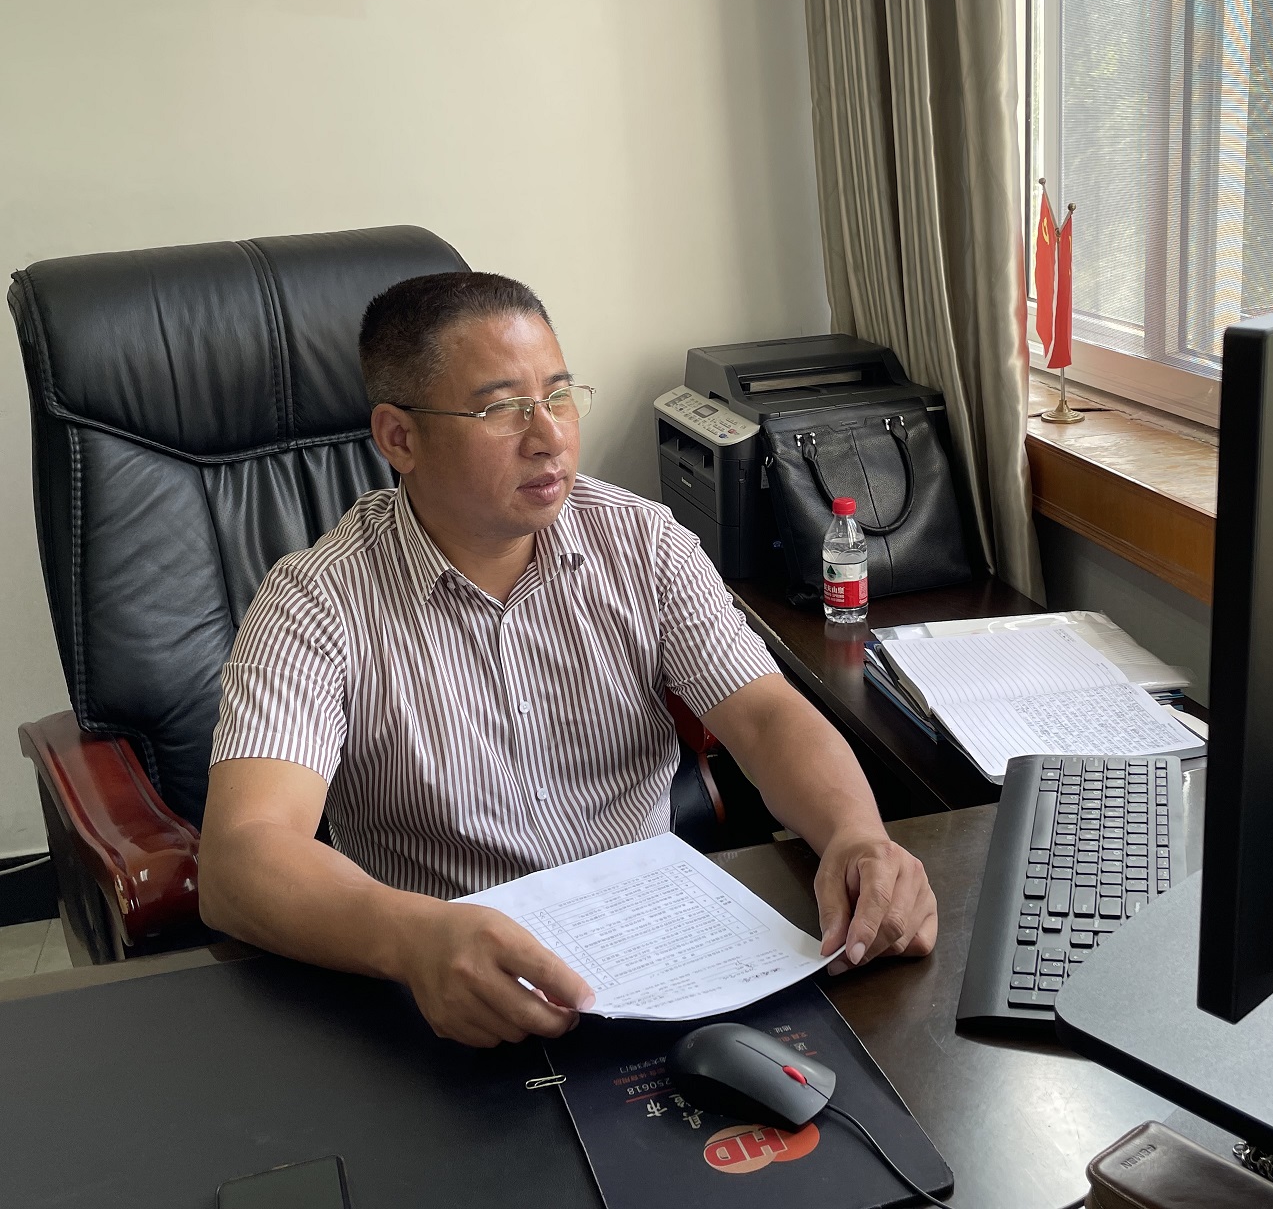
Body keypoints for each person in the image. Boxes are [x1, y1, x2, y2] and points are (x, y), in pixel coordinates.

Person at [197, 271, 937, 1047]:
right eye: (501, 409)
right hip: (455, 995)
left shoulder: (643, 543)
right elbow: (241, 860)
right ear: (399, 438)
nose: (548, 435)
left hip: (665, 964)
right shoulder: (316, 601)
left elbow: (765, 716)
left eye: (558, 395)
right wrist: (412, 939)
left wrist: (857, 837)